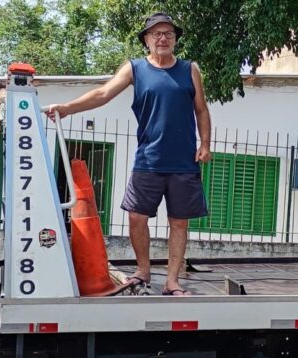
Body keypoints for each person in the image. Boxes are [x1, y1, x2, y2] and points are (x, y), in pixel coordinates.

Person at [45, 12, 211, 296]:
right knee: (136, 217)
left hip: (183, 162)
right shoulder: (135, 69)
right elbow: (103, 93)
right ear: (146, 40)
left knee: (179, 222)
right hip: (148, 159)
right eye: (156, 34)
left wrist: (205, 144)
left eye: (168, 34)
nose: (163, 38)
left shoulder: (189, 69)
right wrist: (68, 108)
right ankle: (143, 271)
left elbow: (201, 108)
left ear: (175, 40)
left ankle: (172, 282)